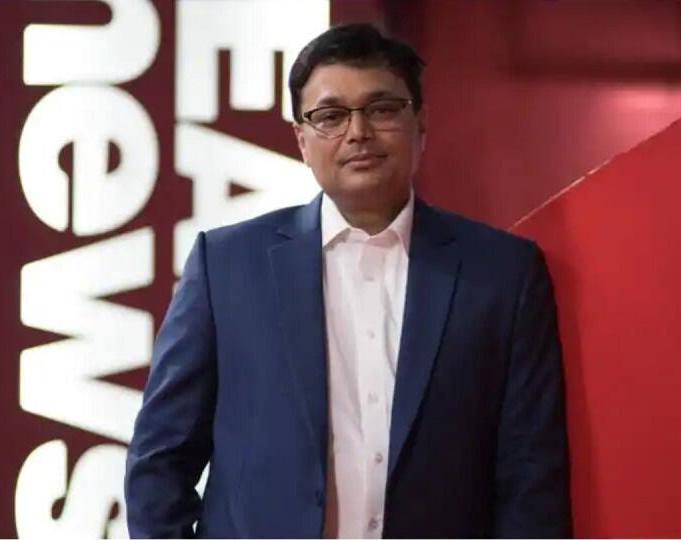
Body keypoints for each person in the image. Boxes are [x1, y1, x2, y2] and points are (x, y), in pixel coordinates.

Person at [125, 23, 571, 539]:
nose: (358, 132)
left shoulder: (502, 275)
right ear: (302, 140)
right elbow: (160, 459)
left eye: (382, 109)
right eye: (331, 116)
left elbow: (531, 478)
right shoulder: (226, 266)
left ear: (421, 123)